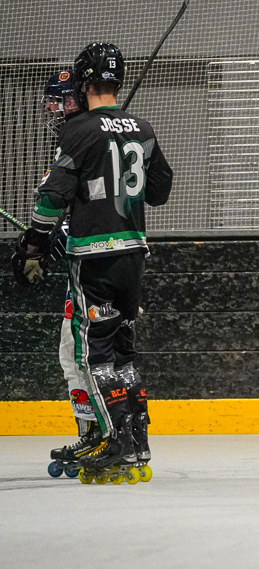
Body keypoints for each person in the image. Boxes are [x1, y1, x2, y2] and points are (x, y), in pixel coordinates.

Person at [15, 42, 173, 482]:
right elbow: (159, 191)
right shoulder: (141, 126)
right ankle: (137, 442)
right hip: (134, 253)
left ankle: (116, 441)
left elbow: (51, 198)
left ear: (83, 82)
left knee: (93, 353)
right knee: (122, 351)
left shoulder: (78, 130)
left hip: (95, 258)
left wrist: (33, 244)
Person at [34, 69, 105, 477]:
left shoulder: (84, 138)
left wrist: (57, 231)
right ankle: (97, 433)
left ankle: (101, 435)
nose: (51, 107)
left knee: (85, 354)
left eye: (58, 100)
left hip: (98, 265)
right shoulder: (85, 139)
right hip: (103, 262)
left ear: (78, 99)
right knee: (75, 353)